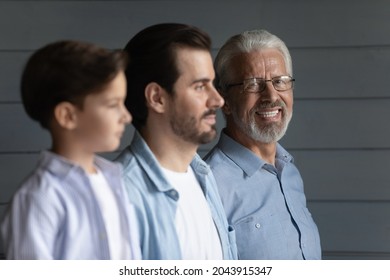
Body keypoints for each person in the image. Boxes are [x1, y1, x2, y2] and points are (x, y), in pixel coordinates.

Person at [0, 40, 141, 260]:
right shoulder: (38, 198)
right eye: (113, 105)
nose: (127, 116)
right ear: (67, 115)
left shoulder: (113, 180)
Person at [115, 23, 237, 260]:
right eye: (200, 86)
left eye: (213, 84)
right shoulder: (120, 196)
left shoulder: (204, 176)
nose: (217, 100)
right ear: (157, 98)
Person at [204, 29, 321, 259]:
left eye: (280, 81)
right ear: (224, 100)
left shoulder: (289, 173)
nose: (271, 96)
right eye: (253, 84)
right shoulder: (210, 187)